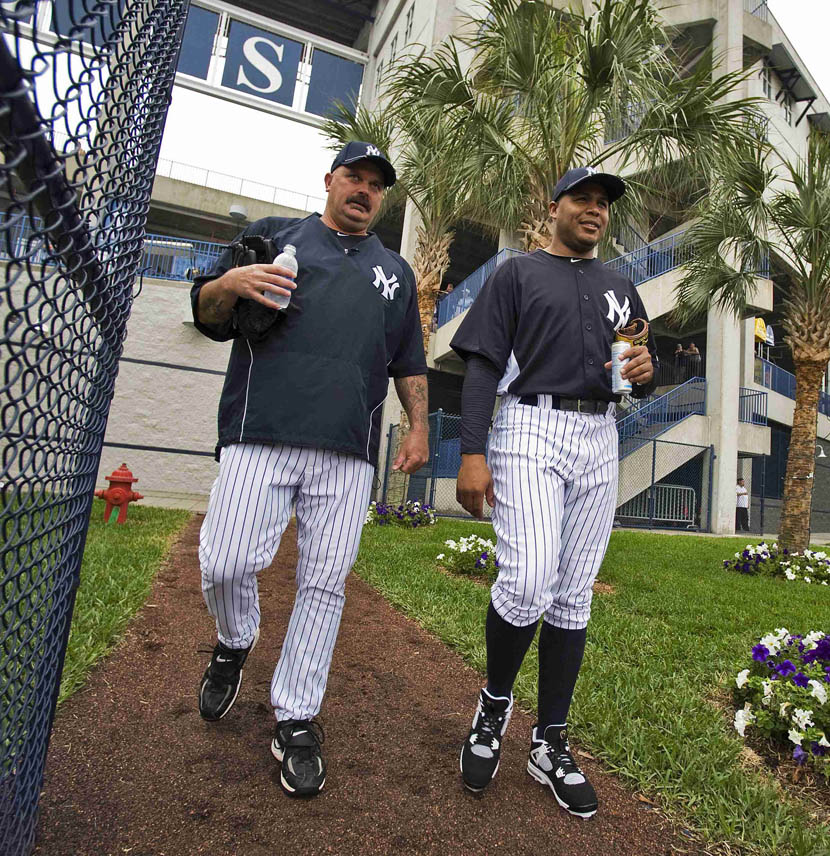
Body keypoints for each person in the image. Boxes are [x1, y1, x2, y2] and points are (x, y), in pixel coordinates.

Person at [189, 141, 429, 797]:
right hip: (259, 432)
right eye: (354, 176)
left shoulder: (395, 275)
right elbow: (207, 312)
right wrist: (228, 284)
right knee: (225, 561)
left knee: (325, 585)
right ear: (330, 180)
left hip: (348, 451)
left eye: (377, 184)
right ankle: (236, 638)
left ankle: (296, 716)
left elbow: (408, 360)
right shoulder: (271, 236)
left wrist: (421, 425)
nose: (364, 190)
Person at [450, 166, 656, 818]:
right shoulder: (516, 272)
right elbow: (482, 362)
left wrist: (648, 372)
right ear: (556, 206)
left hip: (599, 432)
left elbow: (635, 366)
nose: (595, 209)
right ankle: (494, 708)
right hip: (529, 424)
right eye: (584, 198)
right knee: (530, 575)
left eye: (603, 203)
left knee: (572, 594)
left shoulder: (622, 286)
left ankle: (551, 741)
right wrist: (473, 453)